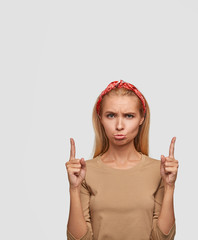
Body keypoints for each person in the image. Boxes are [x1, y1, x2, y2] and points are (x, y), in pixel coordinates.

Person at [65, 80, 179, 240]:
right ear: (100, 118)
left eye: (129, 116)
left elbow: (162, 238)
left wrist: (170, 187)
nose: (119, 125)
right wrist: (74, 189)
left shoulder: (159, 170)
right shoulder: (84, 171)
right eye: (111, 115)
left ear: (141, 119)